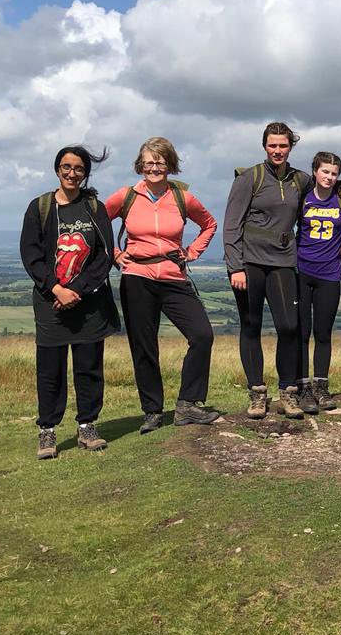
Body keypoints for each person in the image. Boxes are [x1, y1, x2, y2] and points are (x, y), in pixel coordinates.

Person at [223, 122, 341, 420]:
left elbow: (330, 182)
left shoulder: (300, 179)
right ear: (265, 146)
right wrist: (235, 266)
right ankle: (258, 393)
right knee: (251, 326)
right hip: (249, 263)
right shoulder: (250, 177)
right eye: (272, 145)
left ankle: (288, 392)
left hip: (283, 262)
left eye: (283, 146)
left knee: (289, 326)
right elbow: (232, 223)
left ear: (290, 147)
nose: (277, 150)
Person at [105, 137, 220, 434]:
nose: (154, 167)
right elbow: (98, 224)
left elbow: (209, 224)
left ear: (170, 165)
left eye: (160, 161)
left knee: (202, 335)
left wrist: (192, 252)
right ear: (140, 165)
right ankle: (152, 412)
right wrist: (116, 255)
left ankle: (187, 405)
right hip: (137, 277)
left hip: (173, 275)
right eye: (149, 162)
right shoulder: (126, 196)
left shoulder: (182, 198)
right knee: (144, 346)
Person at [20, 146, 120, 459]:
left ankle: (87, 425)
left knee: (89, 368)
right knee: (50, 371)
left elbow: (105, 255)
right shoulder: (40, 207)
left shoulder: (94, 207)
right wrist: (56, 289)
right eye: (66, 166)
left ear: (85, 172)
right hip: (51, 304)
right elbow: (31, 254)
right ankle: (47, 432)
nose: (71, 173)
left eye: (78, 168)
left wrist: (75, 290)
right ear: (57, 169)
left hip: (89, 303)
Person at [294, 152, 341, 414]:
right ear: (315, 171)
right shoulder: (302, 196)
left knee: (323, 334)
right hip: (302, 271)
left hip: (329, 273)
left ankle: (321, 388)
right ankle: (302, 389)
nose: (329, 177)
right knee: (302, 333)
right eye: (325, 172)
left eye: (334, 173)